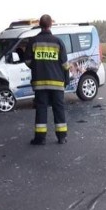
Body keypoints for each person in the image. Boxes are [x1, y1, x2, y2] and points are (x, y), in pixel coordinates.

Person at [24, 14, 70, 144]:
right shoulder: (58, 42)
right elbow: (65, 65)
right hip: (57, 83)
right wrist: (67, 76)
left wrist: (37, 66)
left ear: (40, 24)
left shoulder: (33, 42)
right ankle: (61, 137)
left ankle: (40, 138)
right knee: (58, 109)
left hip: (40, 82)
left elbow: (27, 61)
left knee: (41, 109)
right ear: (51, 25)